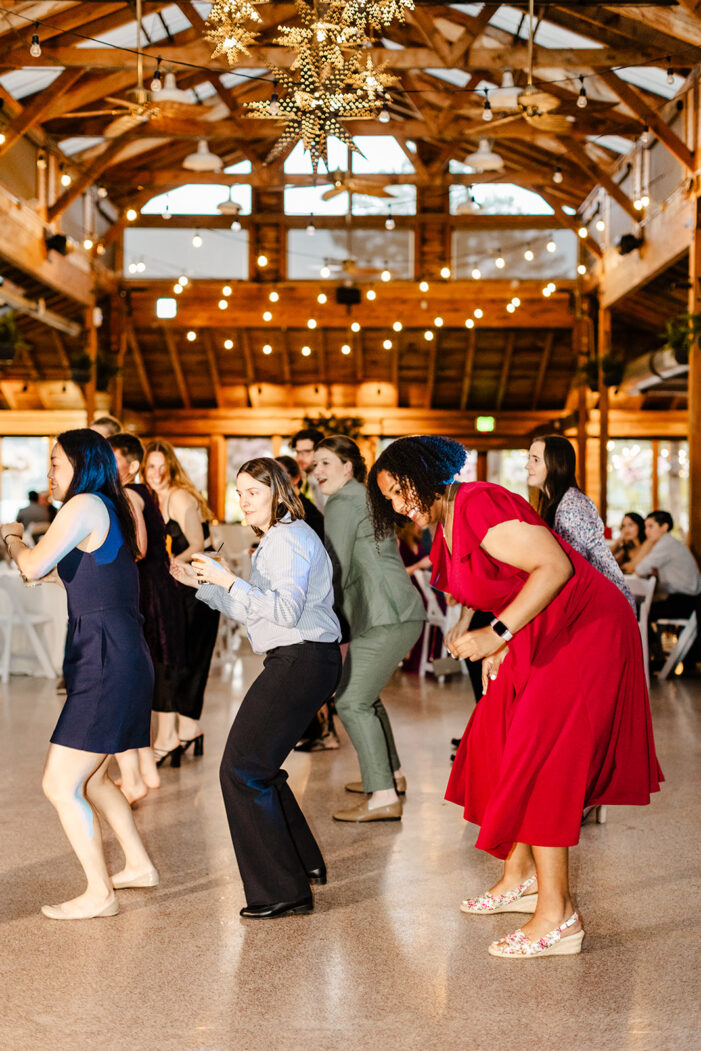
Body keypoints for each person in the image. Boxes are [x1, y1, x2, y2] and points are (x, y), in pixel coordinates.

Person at [367, 435, 662, 959]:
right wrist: (470, 630)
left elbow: (556, 567)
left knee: (543, 755)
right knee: (494, 738)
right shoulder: (446, 521)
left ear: (423, 472)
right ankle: (520, 875)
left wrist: (498, 634)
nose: (395, 504)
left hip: (585, 628)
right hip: (540, 628)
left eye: (397, 490)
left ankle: (559, 916)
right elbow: (473, 588)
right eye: (388, 498)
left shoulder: (478, 501)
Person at [170, 459, 341, 919]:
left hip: (301, 659)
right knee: (256, 767)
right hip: (304, 659)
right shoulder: (280, 538)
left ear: (278, 493)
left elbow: (283, 613)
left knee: (241, 769)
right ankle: (302, 864)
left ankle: (282, 891)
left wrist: (229, 578)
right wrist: (203, 585)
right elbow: (258, 611)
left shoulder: (286, 540)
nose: (243, 501)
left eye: (253, 493)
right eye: (240, 492)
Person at [0, 429, 157, 920]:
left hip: (107, 658)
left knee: (60, 784)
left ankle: (100, 894)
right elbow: (68, 573)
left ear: (83, 465)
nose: (49, 473)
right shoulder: (105, 507)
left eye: (56, 463)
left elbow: (29, 566)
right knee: (94, 779)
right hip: (117, 653)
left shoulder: (85, 503)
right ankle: (138, 865)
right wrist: (35, 561)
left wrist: (10, 535)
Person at [313, 435, 425, 822]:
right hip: (394, 610)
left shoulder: (343, 501)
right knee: (363, 695)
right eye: (315, 464)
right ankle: (390, 775)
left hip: (385, 613)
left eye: (326, 462)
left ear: (348, 466)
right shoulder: (362, 495)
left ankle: (383, 796)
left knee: (350, 701)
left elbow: (334, 566)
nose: (317, 471)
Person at [108, 432, 186, 802]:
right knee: (142, 678)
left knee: (136, 680)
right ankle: (146, 769)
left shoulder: (129, 493)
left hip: (147, 592)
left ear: (132, 465)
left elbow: (138, 548)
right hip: (154, 588)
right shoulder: (141, 491)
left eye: (113, 458)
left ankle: (143, 772)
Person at [143, 440, 220, 765]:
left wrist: (167, 562)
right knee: (177, 662)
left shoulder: (178, 496)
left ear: (172, 467)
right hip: (174, 590)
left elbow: (199, 545)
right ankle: (188, 729)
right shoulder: (149, 498)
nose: (157, 473)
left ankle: (172, 736)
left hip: (191, 591)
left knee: (176, 661)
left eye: (163, 466)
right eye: (151, 467)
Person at [526, 435, 635, 610]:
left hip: (606, 604)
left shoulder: (572, 504)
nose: (527, 466)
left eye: (535, 459)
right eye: (529, 458)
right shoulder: (557, 502)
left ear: (556, 464)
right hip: (592, 598)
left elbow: (572, 565)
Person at [277, 454, 338, 750]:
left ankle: (324, 731)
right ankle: (313, 729)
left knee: (312, 670)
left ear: (296, 480)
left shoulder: (306, 513)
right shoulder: (288, 512)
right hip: (299, 598)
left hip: (312, 599)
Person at [633, 511, 701, 659]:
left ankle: (653, 655)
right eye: (645, 527)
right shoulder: (671, 543)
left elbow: (639, 569)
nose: (646, 531)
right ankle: (655, 654)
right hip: (687, 599)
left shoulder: (666, 545)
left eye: (651, 526)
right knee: (638, 610)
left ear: (664, 527)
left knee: (636, 611)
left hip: (686, 601)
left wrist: (648, 544)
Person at [290, 428, 326, 510]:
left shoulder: (326, 480)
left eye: (306, 452)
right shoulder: (309, 479)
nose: (300, 457)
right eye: (298, 452)